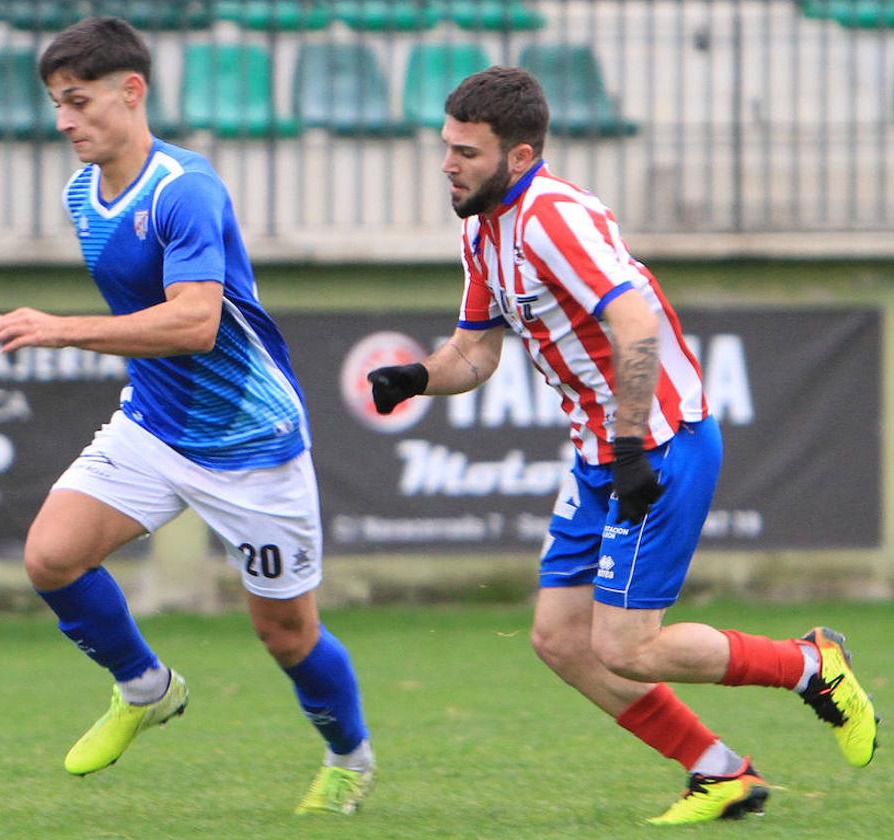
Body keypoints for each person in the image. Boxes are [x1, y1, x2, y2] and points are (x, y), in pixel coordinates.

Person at [367, 66, 879, 825]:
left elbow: (634, 322)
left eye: (466, 152)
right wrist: (416, 375)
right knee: (560, 639)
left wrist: (633, 444)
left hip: (660, 442)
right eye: (446, 147)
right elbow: (475, 354)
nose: (448, 163)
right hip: (600, 451)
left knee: (629, 646)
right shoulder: (480, 226)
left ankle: (812, 665)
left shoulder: (554, 218)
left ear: (518, 154)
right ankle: (720, 772)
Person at [0, 17, 374, 816]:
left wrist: (59, 327)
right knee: (51, 557)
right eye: (57, 104)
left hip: (251, 443)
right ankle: (144, 685)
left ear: (133, 92)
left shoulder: (184, 188)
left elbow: (194, 322)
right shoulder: (82, 192)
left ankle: (349, 758)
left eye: (80, 101)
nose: (65, 121)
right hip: (155, 426)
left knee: (287, 636)